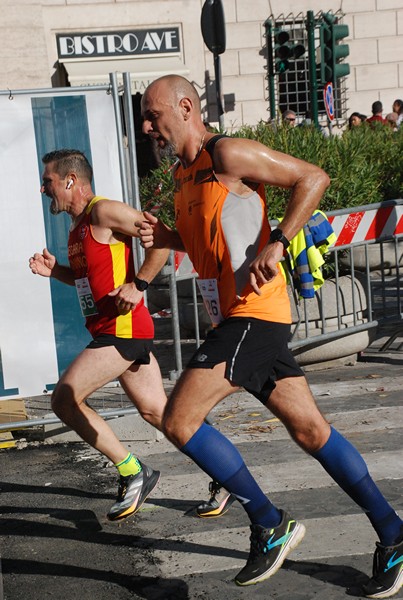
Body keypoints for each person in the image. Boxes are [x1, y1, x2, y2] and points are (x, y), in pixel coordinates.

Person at [138, 74, 403, 597]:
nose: (147, 125)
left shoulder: (227, 154)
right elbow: (214, 249)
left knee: (179, 418)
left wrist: (280, 239)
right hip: (236, 318)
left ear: (186, 106)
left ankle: (268, 522)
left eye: (153, 114)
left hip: (254, 316)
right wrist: (170, 238)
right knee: (311, 432)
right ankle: (394, 532)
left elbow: (314, 176)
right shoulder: (184, 176)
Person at [29, 149, 171, 522]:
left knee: (64, 400)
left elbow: (159, 237)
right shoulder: (78, 227)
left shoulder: (103, 212)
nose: (43, 189)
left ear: (70, 180)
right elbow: (88, 281)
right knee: (161, 413)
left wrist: (139, 284)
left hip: (121, 331)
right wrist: (55, 271)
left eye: (48, 182)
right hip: (115, 330)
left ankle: (132, 471)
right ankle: (224, 473)